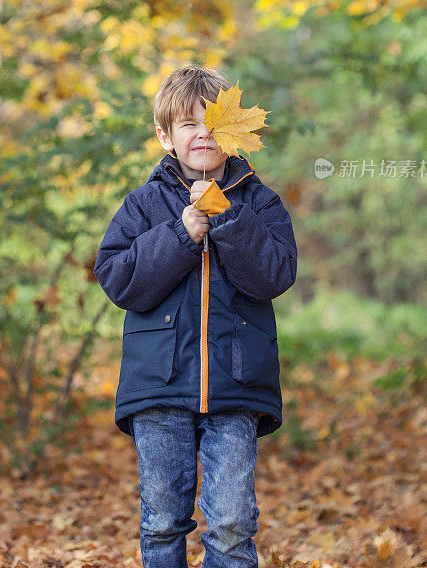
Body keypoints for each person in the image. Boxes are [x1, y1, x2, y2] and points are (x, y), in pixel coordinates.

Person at [94, 64, 297, 568]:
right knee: (162, 520)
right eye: (188, 124)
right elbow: (118, 279)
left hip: (236, 382)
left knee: (231, 523)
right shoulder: (142, 207)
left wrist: (228, 217)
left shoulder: (260, 203)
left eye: (215, 123)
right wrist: (181, 235)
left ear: (235, 134)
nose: (203, 133)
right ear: (165, 137)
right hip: (158, 387)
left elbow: (274, 275)